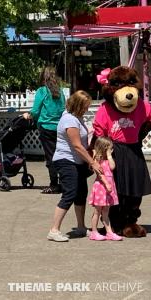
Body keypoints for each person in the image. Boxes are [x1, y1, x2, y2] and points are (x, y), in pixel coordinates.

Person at [47, 90, 101, 242]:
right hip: (66, 161)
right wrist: (92, 162)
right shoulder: (69, 120)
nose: (87, 109)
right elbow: (77, 146)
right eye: (85, 106)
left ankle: (81, 227)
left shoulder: (77, 118)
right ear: (77, 105)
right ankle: (54, 230)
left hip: (76, 162)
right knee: (70, 193)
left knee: (81, 193)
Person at [23, 66, 65, 194]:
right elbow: (63, 108)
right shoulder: (60, 91)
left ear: (43, 76)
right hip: (59, 127)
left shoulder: (42, 91)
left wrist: (28, 115)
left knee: (50, 157)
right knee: (61, 155)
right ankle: (63, 183)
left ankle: (54, 185)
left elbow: (35, 111)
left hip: (46, 127)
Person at [88, 137, 122, 241]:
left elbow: (112, 167)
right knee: (97, 211)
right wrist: (106, 183)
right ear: (104, 148)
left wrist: (109, 155)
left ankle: (109, 232)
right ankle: (94, 232)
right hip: (101, 187)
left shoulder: (108, 159)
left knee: (106, 211)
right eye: (109, 148)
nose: (111, 150)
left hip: (108, 187)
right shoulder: (96, 160)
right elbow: (100, 174)